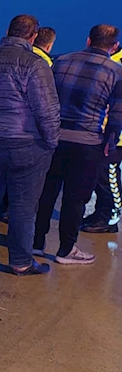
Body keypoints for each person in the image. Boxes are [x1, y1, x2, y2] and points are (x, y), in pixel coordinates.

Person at [0, 15, 60, 275]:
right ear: (33, 36)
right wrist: (51, 143)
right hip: (25, 144)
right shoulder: (35, 65)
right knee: (23, 206)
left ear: (7, 31)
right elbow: (47, 111)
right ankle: (20, 261)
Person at [34, 24, 122, 264]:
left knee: (46, 192)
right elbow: (116, 115)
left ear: (88, 40)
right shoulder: (116, 71)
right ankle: (65, 250)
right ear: (114, 46)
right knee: (75, 198)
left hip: (53, 139)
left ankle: (36, 243)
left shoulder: (61, 62)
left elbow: (45, 99)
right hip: (87, 143)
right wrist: (110, 142)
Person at [0, 27, 58, 222]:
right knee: (25, 193)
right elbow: (44, 107)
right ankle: (20, 248)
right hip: (26, 133)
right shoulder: (41, 64)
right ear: (49, 45)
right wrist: (51, 140)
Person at [80, 45, 122, 234]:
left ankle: (110, 218)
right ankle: (101, 213)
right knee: (100, 176)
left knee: (109, 178)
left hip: (114, 135)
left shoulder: (116, 64)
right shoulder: (112, 62)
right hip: (103, 131)